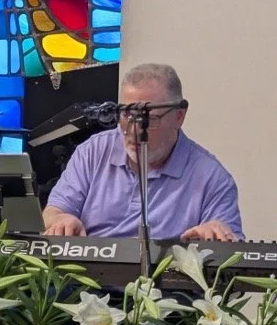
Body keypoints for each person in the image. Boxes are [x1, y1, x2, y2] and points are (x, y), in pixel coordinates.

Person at [43, 63, 242, 240]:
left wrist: (216, 235)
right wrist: (62, 220)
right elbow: (53, 212)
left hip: (166, 278)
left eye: (149, 119)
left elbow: (230, 248)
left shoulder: (212, 178)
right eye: (127, 116)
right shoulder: (93, 152)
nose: (134, 130)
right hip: (87, 278)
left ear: (179, 117)